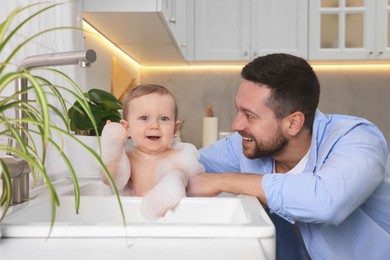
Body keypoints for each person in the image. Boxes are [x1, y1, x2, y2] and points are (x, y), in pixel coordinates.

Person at [187, 53, 390, 259]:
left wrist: (224, 181)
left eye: (249, 116)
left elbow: (325, 202)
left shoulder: (358, 139)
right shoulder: (246, 145)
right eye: (238, 111)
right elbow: (188, 164)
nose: (236, 125)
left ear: (293, 123)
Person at [99, 84, 204, 220]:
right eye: (144, 118)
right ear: (127, 128)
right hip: (131, 220)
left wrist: (176, 182)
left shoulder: (179, 158)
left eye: (164, 118)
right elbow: (109, 179)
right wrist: (113, 146)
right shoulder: (126, 159)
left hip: (173, 220)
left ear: (175, 128)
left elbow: (196, 186)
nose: (154, 125)